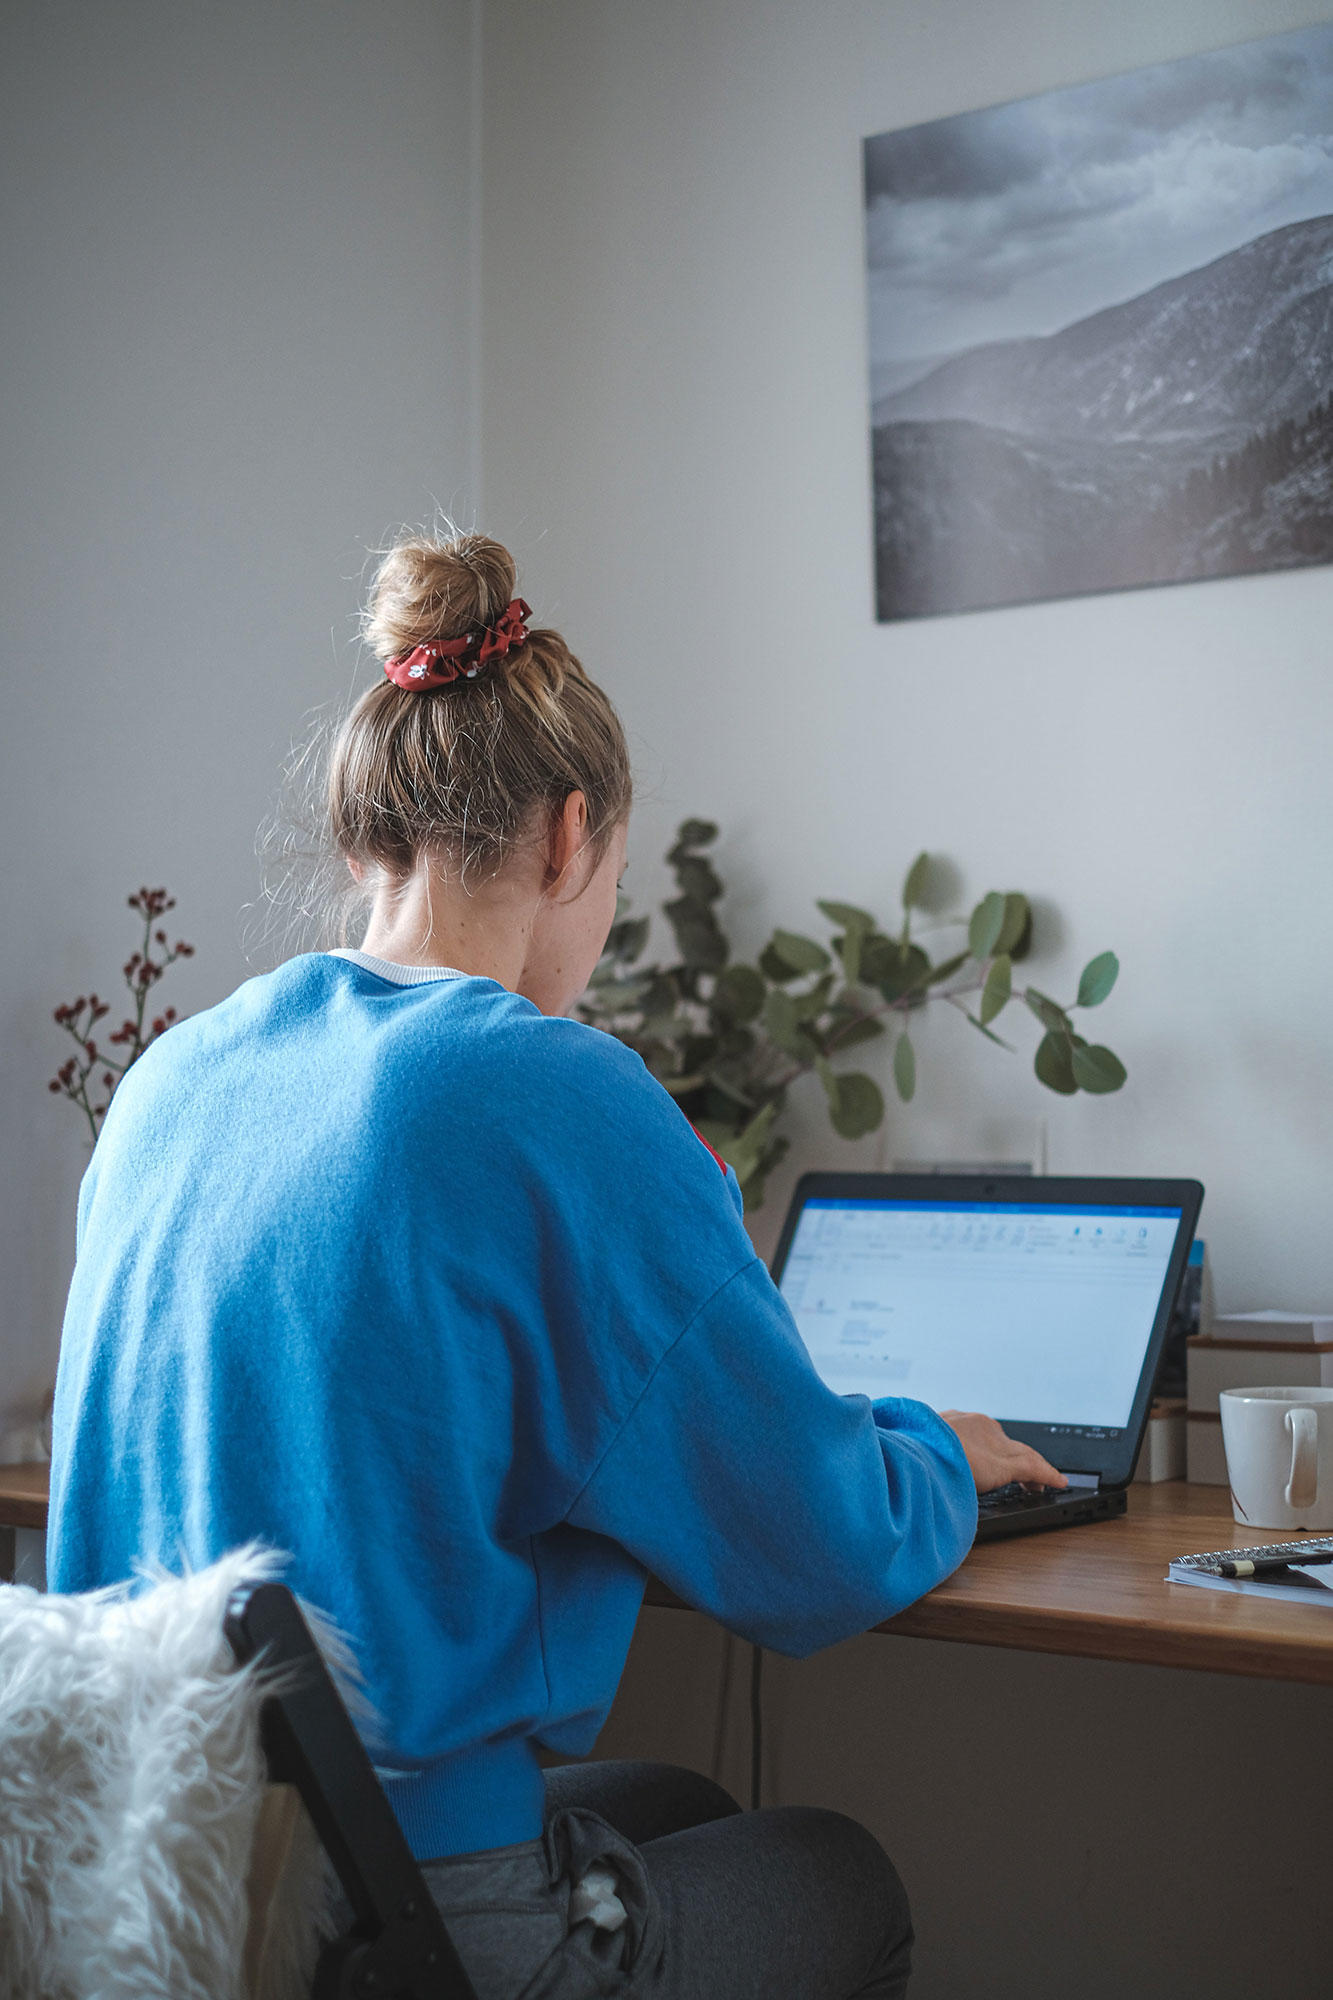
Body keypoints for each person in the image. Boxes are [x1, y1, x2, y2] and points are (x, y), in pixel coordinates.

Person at [48, 531, 1064, 1999]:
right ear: (568, 836)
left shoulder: (169, 1081)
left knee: (690, 1813)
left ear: (363, 840)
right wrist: (933, 1454)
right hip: (377, 1921)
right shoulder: (550, 1088)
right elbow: (815, 1551)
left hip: (161, 1891)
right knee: (836, 1870)